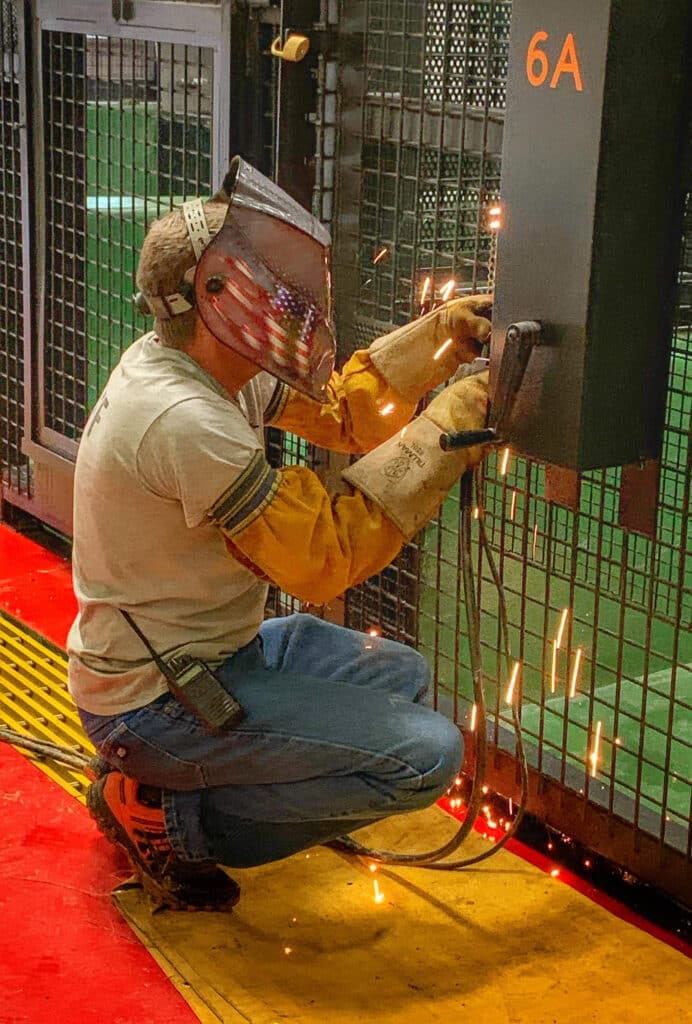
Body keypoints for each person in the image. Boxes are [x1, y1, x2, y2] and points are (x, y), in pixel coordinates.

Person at [69, 157, 493, 911]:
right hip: (152, 698)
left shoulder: (209, 363)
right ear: (217, 293)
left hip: (217, 651)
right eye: (268, 277)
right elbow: (323, 558)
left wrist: (441, 340)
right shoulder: (183, 419)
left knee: (403, 681)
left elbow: (341, 414)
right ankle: (164, 815)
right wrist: (452, 424)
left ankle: (224, 787)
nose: (288, 295)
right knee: (427, 756)